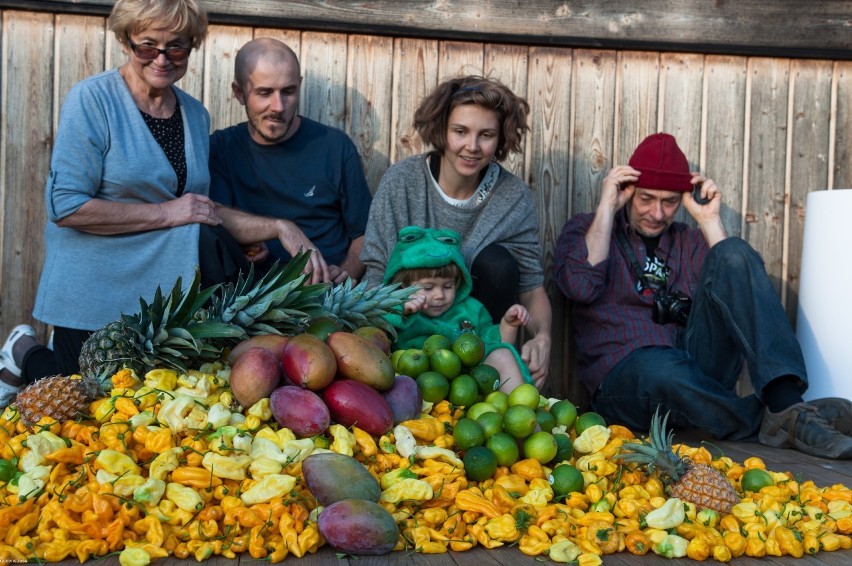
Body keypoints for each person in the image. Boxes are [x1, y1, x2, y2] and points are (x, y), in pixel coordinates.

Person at [0, 0, 245, 407]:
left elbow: (196, 204)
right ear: (126, 40)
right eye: (147, 47)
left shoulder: (196, 115)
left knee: (133, 401)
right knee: (83, 399)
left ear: (191, 48)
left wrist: (271, 228)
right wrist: (169, 213)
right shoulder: (92, 100)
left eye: (177, 48)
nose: (161, 59)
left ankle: (25, 353)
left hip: (157, 288)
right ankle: (23, 351)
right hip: (93, 281)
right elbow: (66, 207)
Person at [554, 132, 852, 459]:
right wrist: (607, 207)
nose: (657, 213)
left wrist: (709, 222)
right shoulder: (588, 229)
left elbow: (738, 286)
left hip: (695, 369)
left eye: (669, 202)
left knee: (733, 252)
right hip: (626, 381)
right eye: (646, 199)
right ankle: (788, 418)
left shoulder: (689, 241)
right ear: (628, 192)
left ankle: (784, 401)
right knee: (663, 368)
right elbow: (580, 287)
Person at [361, 75, 551, 388]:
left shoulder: (512, 196)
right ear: (442, 130)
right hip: (408, 329)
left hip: (474, 328)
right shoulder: (403, 182)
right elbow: (375, 271)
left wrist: (542, 337)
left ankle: (496, 385)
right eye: (460, 131)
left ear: (500, 138)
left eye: (486, 135)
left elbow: (532, 285)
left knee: (498, 263)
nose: (472, 147)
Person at [210, 38, 373, 284]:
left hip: (326, 293)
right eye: (264, 93)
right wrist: (281, 228)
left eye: (288, 91)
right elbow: (214, 214)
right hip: (251, 298)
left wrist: (346, 272)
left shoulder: (335, 146)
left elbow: (365, 232)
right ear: (239, 93)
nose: (278, 106)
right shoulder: (222, 147)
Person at [384, 226, 532, 392]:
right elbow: (379, 327)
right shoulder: (400, 311)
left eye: (448, 286)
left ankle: (523, 410)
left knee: (503, 355)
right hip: (422, 389)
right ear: (405, 286)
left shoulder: (471, 309)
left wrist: (509, 325)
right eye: (428, 287)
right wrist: (400, 308)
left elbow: (494, 344)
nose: (439, 295)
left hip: (469, 388)